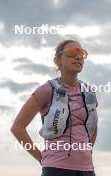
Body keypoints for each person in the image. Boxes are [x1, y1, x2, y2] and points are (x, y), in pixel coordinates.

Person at [11, 40, 98, 176]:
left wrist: (87, 151)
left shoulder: (89, 92)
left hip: (87, 170)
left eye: (81, 53)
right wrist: (41, 158)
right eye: (71, 53)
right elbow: (17, 127)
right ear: (57, 61)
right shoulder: (47, 90)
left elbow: (94, 126)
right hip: (55, 168)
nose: (78, 57)